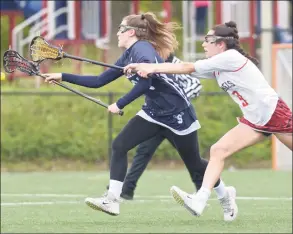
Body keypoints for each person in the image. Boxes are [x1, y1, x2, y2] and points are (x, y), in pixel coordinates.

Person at [43, 12, 235, 219]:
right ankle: (112, 200)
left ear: (131, 32)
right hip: (153, 113)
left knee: (196, 164)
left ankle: (226, 197)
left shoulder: (142, 49)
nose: (117, 33)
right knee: (119, 146)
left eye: (120, 29)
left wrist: (119, 103)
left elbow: (146, 82)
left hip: (178, 113)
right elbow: (99, 81)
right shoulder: (128, 54)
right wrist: (62, 76)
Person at [124, 20, 293, 221]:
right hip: (255, 120)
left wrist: (151, 68)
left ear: (221, 43)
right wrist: (145, 67)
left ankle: (203, 198)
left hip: (274, 113)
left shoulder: (230, 57)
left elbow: (187, 67)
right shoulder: (218, 65)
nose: (203, 44)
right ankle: (202, 199)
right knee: (218, 150)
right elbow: (181, 69)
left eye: (208, 40)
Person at [119, 54, 202, 200]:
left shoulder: (175, 63)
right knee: (143, 152)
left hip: (176, 120)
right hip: (156, 118)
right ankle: (127, 189)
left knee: (191, 158)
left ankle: (202, 187)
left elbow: (195, 84)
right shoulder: (148, 62)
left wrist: (175, 101)